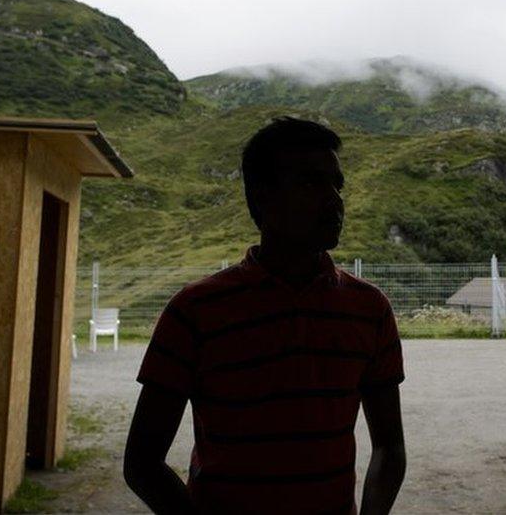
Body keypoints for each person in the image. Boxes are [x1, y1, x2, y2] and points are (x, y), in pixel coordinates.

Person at [124, 116, 406, 514]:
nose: (334, 200)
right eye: (311, 184)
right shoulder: (193, 312)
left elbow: (390, 447)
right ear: (262, 198)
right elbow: (141, 463)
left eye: (336, 184)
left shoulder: (370, 310)